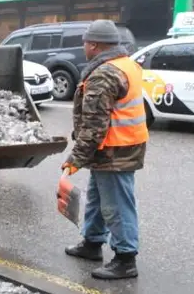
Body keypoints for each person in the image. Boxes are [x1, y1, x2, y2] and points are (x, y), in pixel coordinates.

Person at [62, 19, 148, 280]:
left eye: (85, 42)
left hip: (114, 149)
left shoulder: (104, 74)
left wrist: (75, 159)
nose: (83, 46)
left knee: (117, 205)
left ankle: (125, 258)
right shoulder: (126, 64)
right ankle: (92, 243)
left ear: (95, 45)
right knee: (99, 199)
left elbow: (94, 126)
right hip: (121, 145)